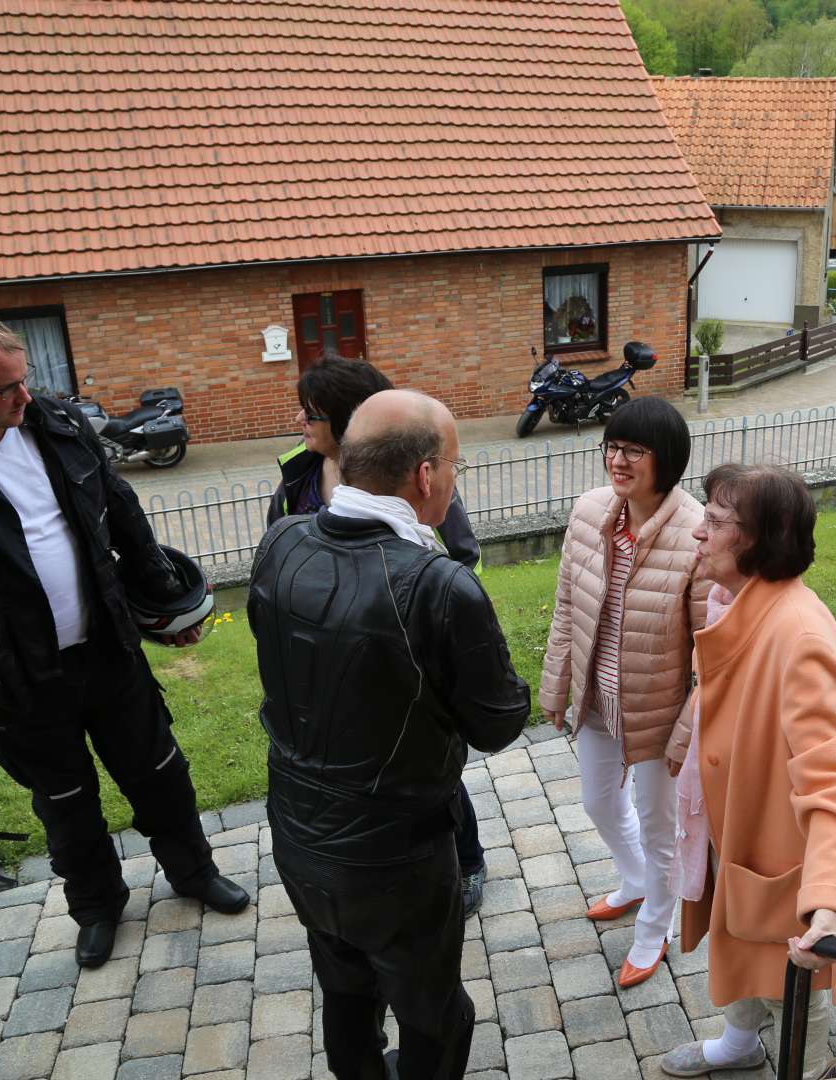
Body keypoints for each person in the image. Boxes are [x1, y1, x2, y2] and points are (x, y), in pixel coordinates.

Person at [0, 314, 248, 971]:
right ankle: (97, 909)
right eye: (5, 388)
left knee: (160, 773)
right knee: (67, 809)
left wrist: (168, 602)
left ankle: (193, 872)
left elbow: (121, 510)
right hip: (18, 682)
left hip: (108, 651)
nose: (24, 397)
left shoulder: (61, 426)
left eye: (25, 380)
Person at [249, 389, 528, 1080]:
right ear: (426, 477)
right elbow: (497, 722)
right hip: (394, 862)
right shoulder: (437, 585)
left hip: (296, 835)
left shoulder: (282, 540)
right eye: (456, 467)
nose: (453, 482)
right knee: (436, 1015)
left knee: (344, 989)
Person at [660, 464, 836, 1080]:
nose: (697, 534)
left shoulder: (800, 634)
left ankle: (806, 1071)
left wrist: (830, 902)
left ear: (760, 537)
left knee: (789, 983)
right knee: (738, 936)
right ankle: (741, 1044)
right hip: (740, 827)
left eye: (713, 522)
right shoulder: (736, 603)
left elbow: (835, 783)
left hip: (787, 854)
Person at [267, 357, 489, 914]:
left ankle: (465, 859)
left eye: (311, 412)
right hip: (329, 660)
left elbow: (458, 561)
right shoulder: (297, 477)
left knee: (425, 765)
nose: (299, 419)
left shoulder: (418, 478)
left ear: (346, 420)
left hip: (400, 662)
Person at [538, 396, 706, 988]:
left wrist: (687, 729)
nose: (619, 459)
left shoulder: (696, 534)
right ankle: (635, 881)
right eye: (613, 445)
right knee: (597, 801)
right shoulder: (588, 513)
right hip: (595, 697)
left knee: (660, 828)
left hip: (658, 709)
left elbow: (711, 653)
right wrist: (555, 685)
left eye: (636, 449)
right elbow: (567, 610)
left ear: (669, 460)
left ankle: (655, 927)